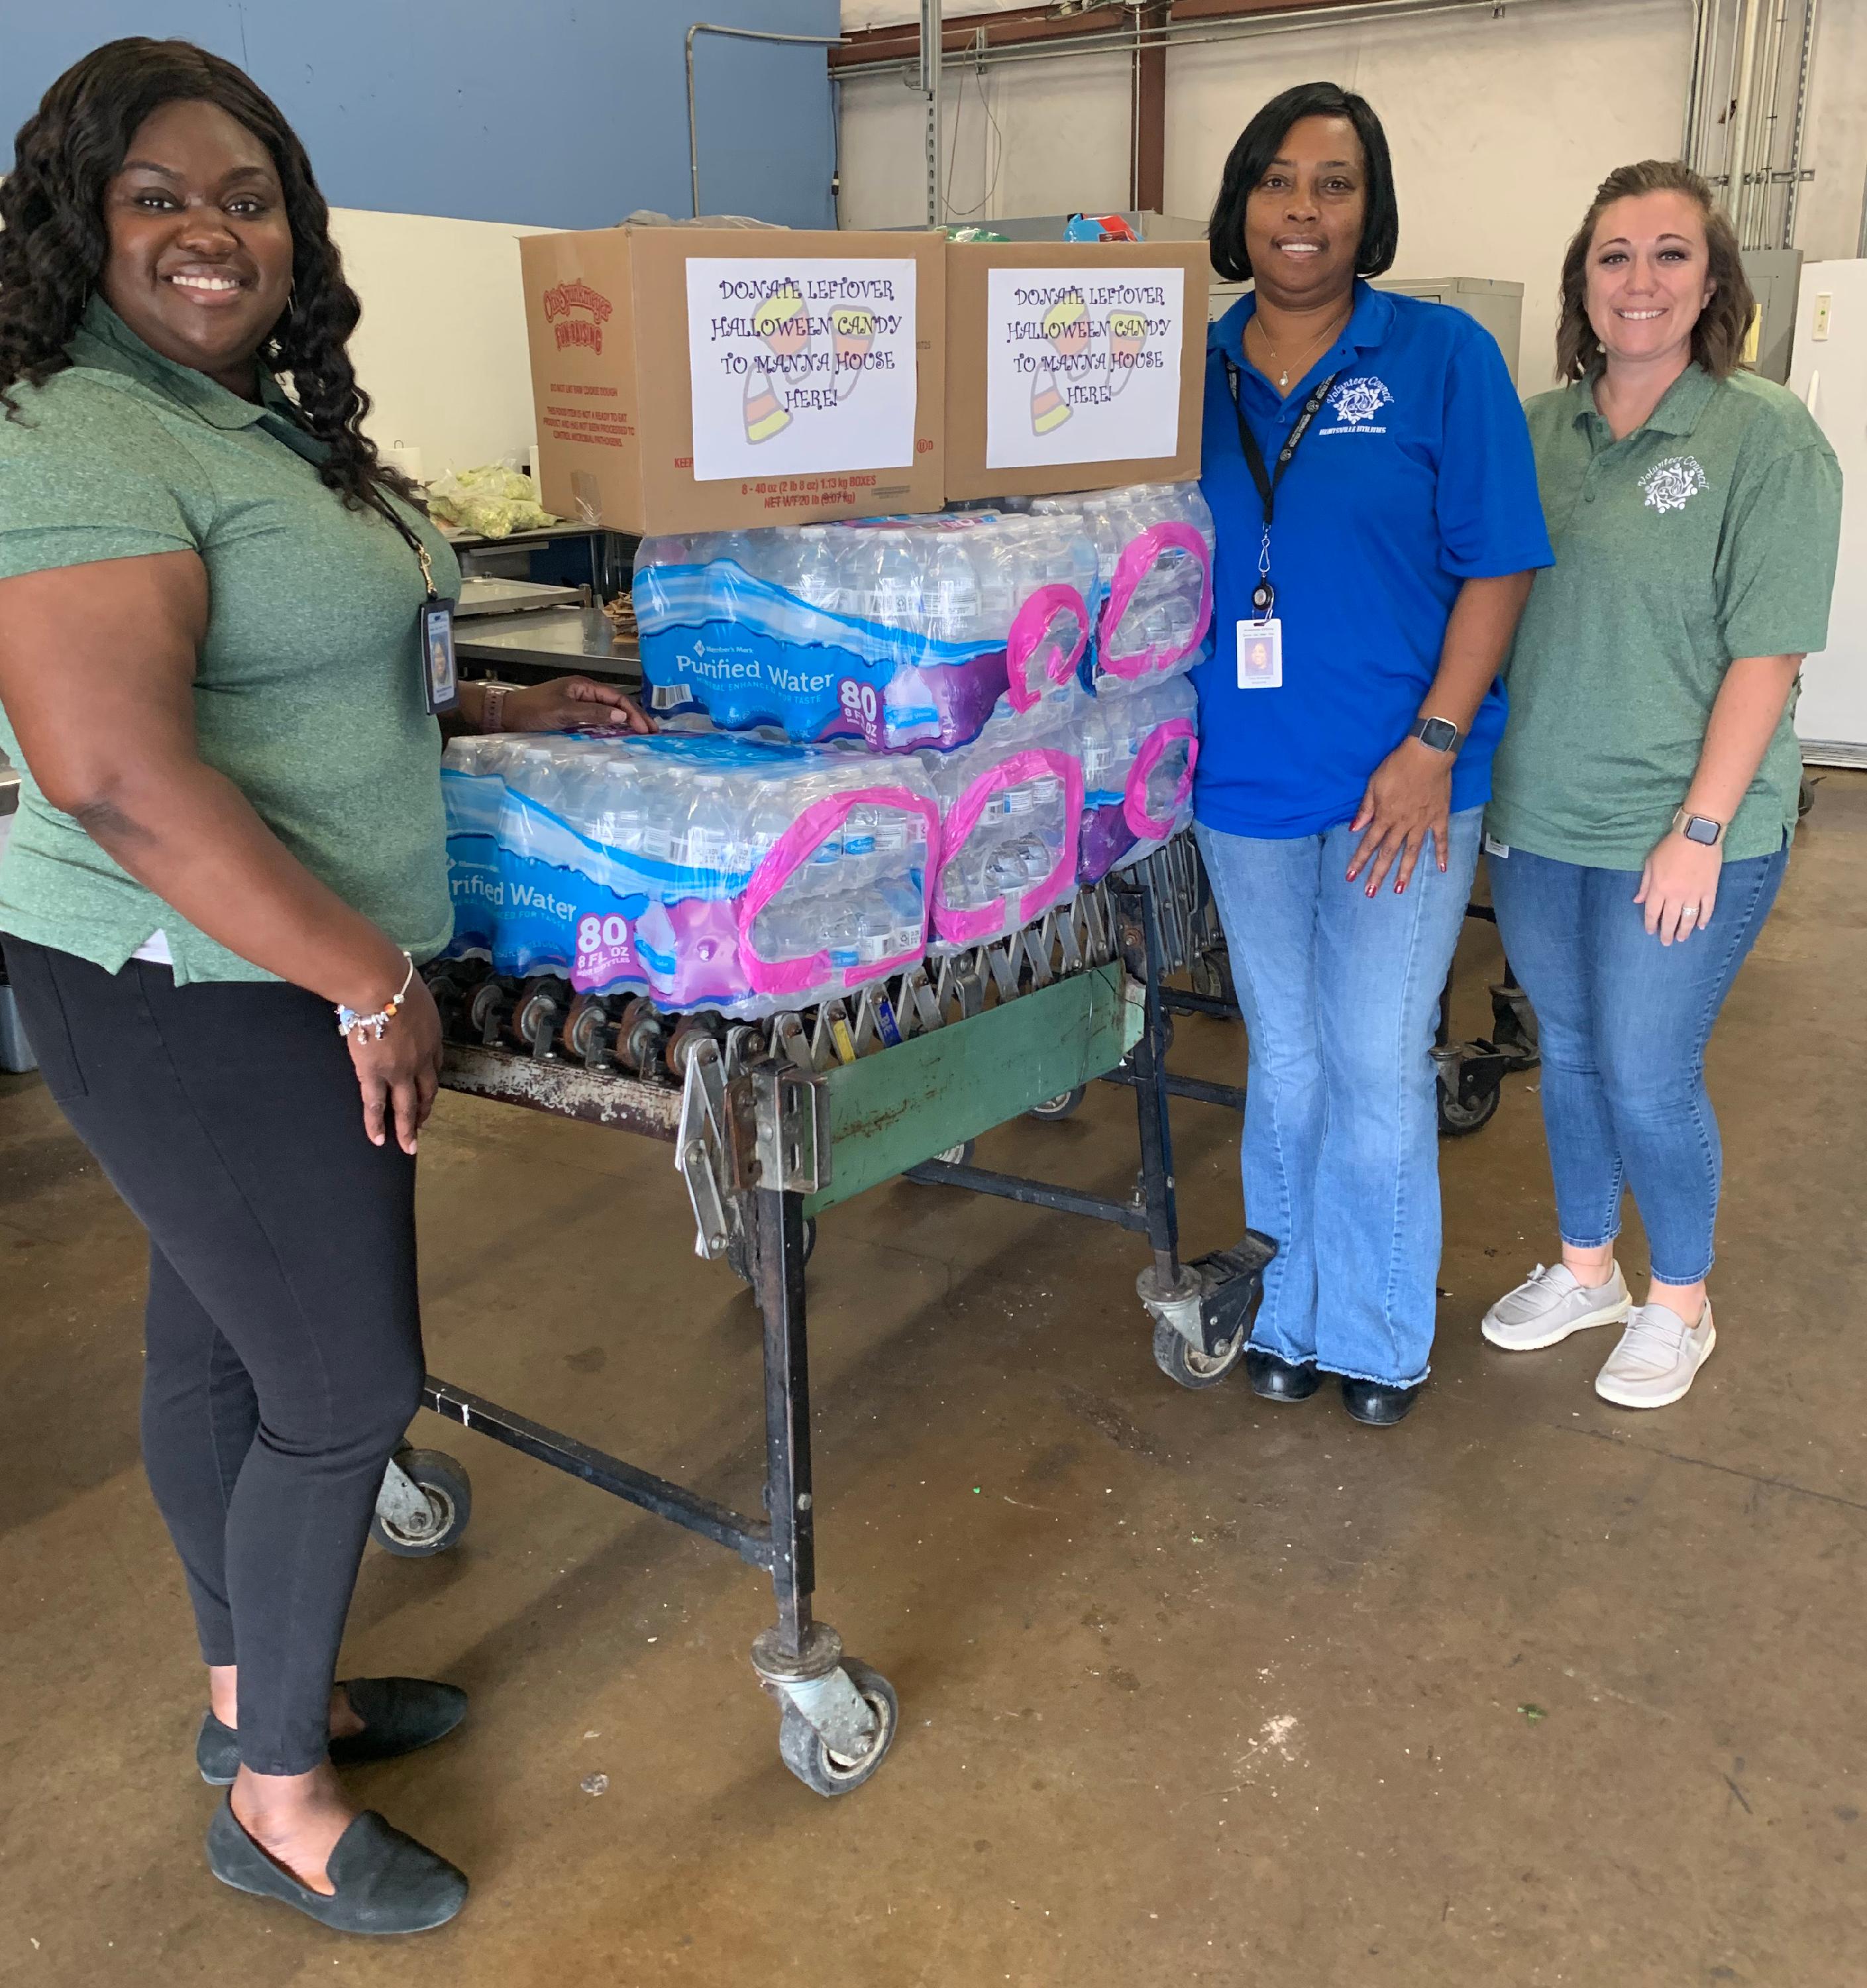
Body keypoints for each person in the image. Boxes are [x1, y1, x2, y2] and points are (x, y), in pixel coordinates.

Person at [0, 39, 649, 1934]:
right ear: (79, 226)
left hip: (257, 969)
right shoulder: (69, 434)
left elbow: (326, 661)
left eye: (249, 197)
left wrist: (506, 698)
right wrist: (369, 978)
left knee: (217, 1347)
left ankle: (253, 1699)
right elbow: (112, 769)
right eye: (160, 197)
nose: (214, 230)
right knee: (343, 1387)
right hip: (195, 978)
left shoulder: (246, 422)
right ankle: (275, 1804)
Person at [1194, 82, 1552, 1425]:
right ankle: (1284, 1310)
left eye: (1333, 184)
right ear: (1240, 204)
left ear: (1369, 208)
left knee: (1370, 1056)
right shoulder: (1191, 367)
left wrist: (1431, 742)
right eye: (1277, 180)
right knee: (1282, 1057)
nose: (1302, 209)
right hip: (1242, 779)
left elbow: (1498, 565)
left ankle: (1378, 1330)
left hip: (1404, 783)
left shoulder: (1437, 356)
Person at [1479, 160, 1842, 1408]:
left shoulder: (1763, 432)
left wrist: (1695, 830)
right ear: (1582, 281)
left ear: (1711, 278)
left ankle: (1678, 1299)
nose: (1640, 280)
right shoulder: (1532, 430)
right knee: (1571, 1054)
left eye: (1669, 253)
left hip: (1690, 827)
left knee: (1645, 1068)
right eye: (1614, 256)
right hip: (1540, 814)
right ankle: (1588, 1271)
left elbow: (1769, 649)